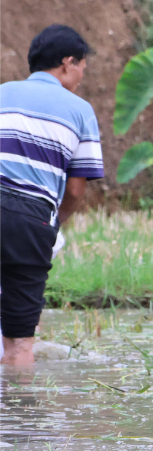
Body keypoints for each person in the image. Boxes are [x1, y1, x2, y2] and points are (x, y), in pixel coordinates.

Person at [0, 25, 104, 365]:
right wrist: (53, 222)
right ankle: (19, 416)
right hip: (30, 221)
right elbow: (75, 189)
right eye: (82, 68)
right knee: (19, 345)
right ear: (67, 62)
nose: (81, 77)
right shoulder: (80, 110)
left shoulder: (2, 94)